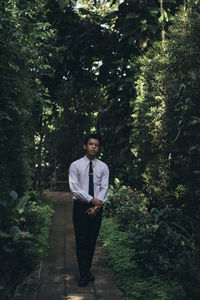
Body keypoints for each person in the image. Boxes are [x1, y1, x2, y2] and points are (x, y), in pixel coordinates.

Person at [68, 133, 109, 287]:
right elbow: (75, 189)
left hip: (97, 208)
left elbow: (104, 189)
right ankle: (84, 274)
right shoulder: (75, 165)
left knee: (92, 241)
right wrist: (91, 200)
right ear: (85, 146)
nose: (93, 147)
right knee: (81, 241)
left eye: (96, 145)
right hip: (80, 207)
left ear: (98, 148)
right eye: (91, 144)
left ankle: (87, 269)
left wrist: (96, 207)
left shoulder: (103, 167)